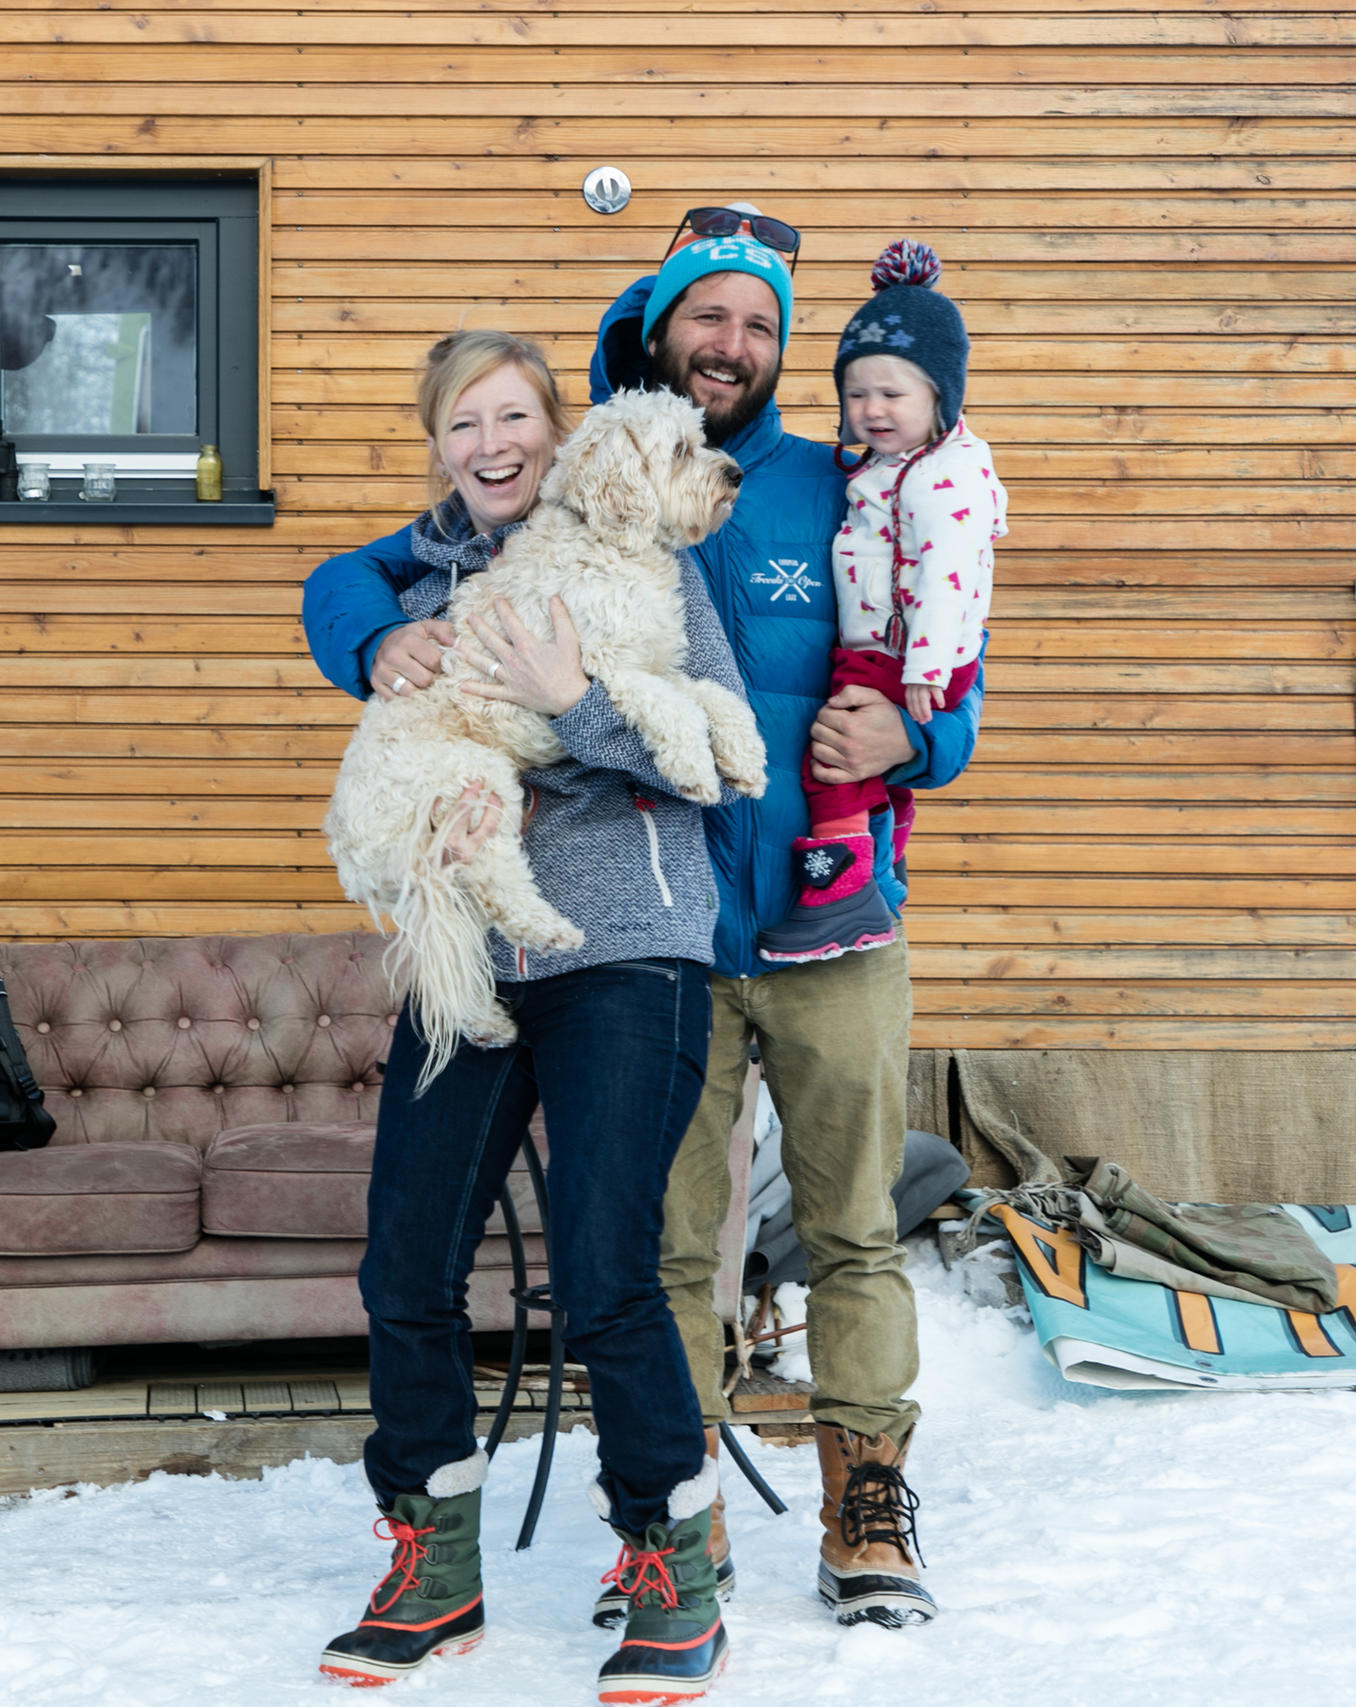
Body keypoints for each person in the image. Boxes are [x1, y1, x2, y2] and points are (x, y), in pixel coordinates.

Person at [304, 206, 984, 1634]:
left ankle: (848, 1498)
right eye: (708, 318)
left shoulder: (823, 485)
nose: (731, 343)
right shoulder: (480, 546)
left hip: (780, 916)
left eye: (759, 325)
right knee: (642, 1254)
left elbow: (938, 628)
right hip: (591, 937)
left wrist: (923, 742)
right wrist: (371, 636)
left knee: (832, 1227)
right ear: (657, 338)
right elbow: (343, 580)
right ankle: (636, 1525)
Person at [306, 329, 739, 1704]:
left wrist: (576, 701)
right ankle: (433, 1557)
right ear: (437, 449)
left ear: (561, 435)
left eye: (513, 419)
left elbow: (714, 755)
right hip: (470, 952)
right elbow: (330, 586)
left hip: (629, 953)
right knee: (404, 1260)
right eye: (459, 427)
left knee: (607, 1262)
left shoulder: (644, 560)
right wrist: (376, 636)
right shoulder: (422, 574)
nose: (489, 446)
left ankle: (670, 1553)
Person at [754, 240, 1006, 966]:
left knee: (833, 763)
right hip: (888, 649)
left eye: (892, 394)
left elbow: (950, 575)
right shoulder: (880, 472)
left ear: (940, 397)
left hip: (903, 657)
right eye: (857, 394)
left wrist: (924, 679)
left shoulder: (933, 483)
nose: (871, 410)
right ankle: (878, 867)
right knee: (869, 779)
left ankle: (840, 896)